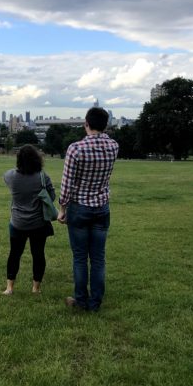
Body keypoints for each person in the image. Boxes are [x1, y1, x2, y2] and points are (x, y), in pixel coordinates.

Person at [58, 107, 119, 312]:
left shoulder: (75, 149)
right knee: (99, 258)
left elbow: (67, 185)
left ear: (86, 123)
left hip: (79, 208)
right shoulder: (113, 146)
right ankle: (95, 303)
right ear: (105, 125)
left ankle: (81, 300)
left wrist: (62, 208)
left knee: (80, 258)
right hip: (102, 207)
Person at [2, 144, 56, 295]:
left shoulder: (11, 176)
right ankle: (36, 288)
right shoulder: (42, 177)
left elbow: (5, 178)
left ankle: (9, 288)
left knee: (14, 254)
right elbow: (51, 197)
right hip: (38, 223)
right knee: (38, 254)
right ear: (36, 159)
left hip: (17, 222)